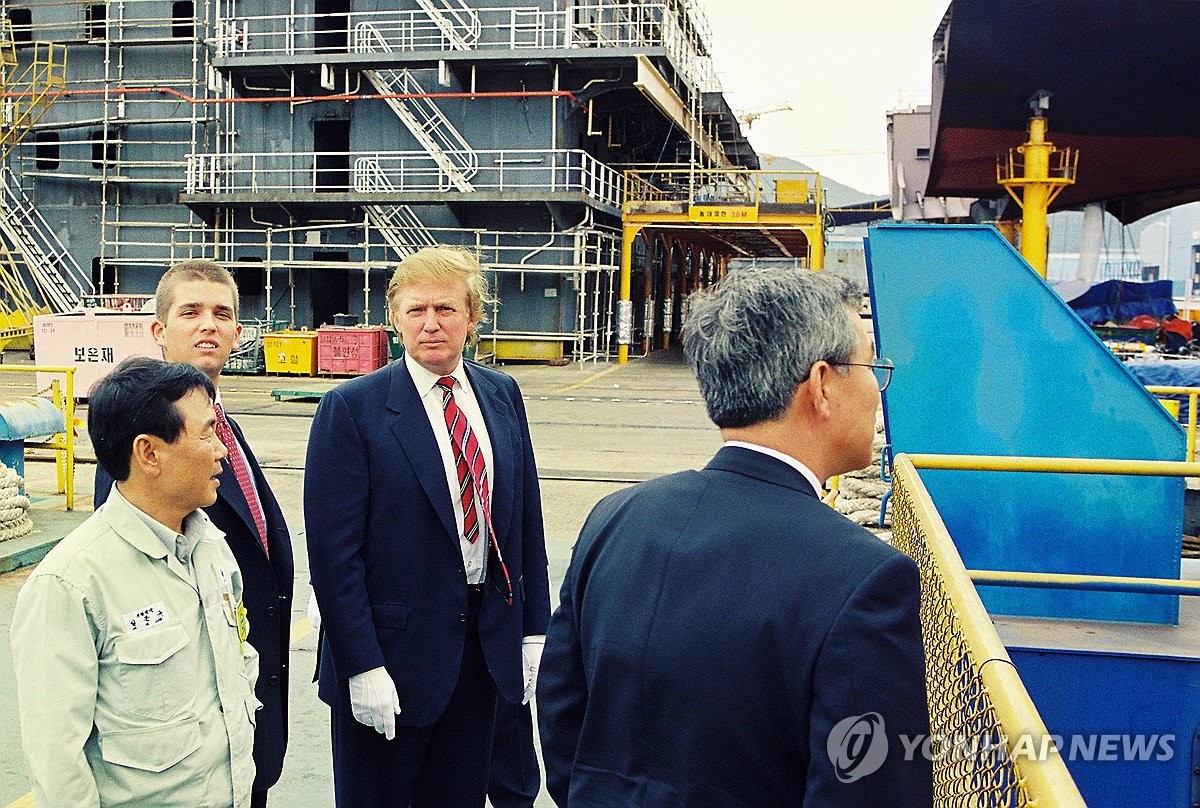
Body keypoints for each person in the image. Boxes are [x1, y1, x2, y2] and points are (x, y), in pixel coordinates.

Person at [537, 268, 933, 806]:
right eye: (869, 364)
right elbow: (869, 786)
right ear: (820, 385)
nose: (876, 385)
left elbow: (562, 717)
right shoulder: (863, 578)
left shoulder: (616, 517)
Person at [305, 246, 551, 807]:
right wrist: (361, 665)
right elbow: (334, 556)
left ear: (473, 316)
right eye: (415, 311)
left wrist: (535, 628)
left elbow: (524, 521)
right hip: (390, 661)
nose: (431, 324)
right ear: (394, 318)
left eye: (445, 308)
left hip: (480, 654)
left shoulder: (501, 395)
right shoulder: (352, 410)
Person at [11, 357, 259, 807]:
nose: (222, 448)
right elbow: (57, 765)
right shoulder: (71, 585)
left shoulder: (210, 548)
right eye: (206, 433)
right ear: (149, 453)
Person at [94, 259, 294, 807]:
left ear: (237, 332)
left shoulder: (227, 430)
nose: (209, 324)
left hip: (245, 712)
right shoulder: (140, 445)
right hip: (190, 744)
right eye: (191, 312)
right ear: (158, 331)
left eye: (222, 313)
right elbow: (132, 592)